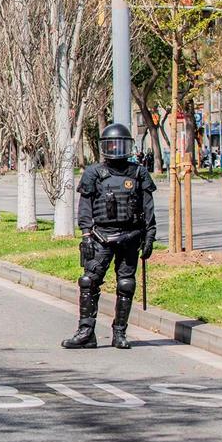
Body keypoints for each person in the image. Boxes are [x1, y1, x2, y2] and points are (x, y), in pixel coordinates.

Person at [63, 122, 156, 351]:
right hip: (100, 237)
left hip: (130, 236)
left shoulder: (138, 173)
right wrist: (85, 234)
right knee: (89, 281)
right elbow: (85, 206)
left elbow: (148, 208)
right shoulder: (94, 173)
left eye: (120, 144)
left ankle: (120, 333)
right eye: (111, 144)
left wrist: (150, 236)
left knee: (126, 284)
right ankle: (86, 332)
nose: (116, 149)